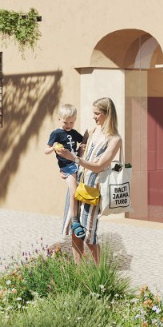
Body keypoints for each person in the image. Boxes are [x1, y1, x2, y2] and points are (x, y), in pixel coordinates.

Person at [67, 97, 123, 263]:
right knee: (75, 231)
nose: (94, 117)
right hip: (78, 184)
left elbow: (99, 166)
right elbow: (79, 153)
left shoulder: (115, 139)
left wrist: (74, 159)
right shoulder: (91, 131)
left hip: (93, 189)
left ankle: (99, 273)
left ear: (108, 114)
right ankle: (78, 272)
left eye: (97, 113)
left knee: (89, 236)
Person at [46, 103, 85, 243]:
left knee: (80, 191)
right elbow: (46, 150)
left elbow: (84, 141)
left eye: (71, 122)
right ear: (59, 119)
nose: (68, 125)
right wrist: (54, 148)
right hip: (67, 167)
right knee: (74, 191)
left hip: (77, 163)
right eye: (65, 122)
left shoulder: (74, 133)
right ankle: (74, 220)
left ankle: (78, 218)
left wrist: (88, 136)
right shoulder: (56, 134)